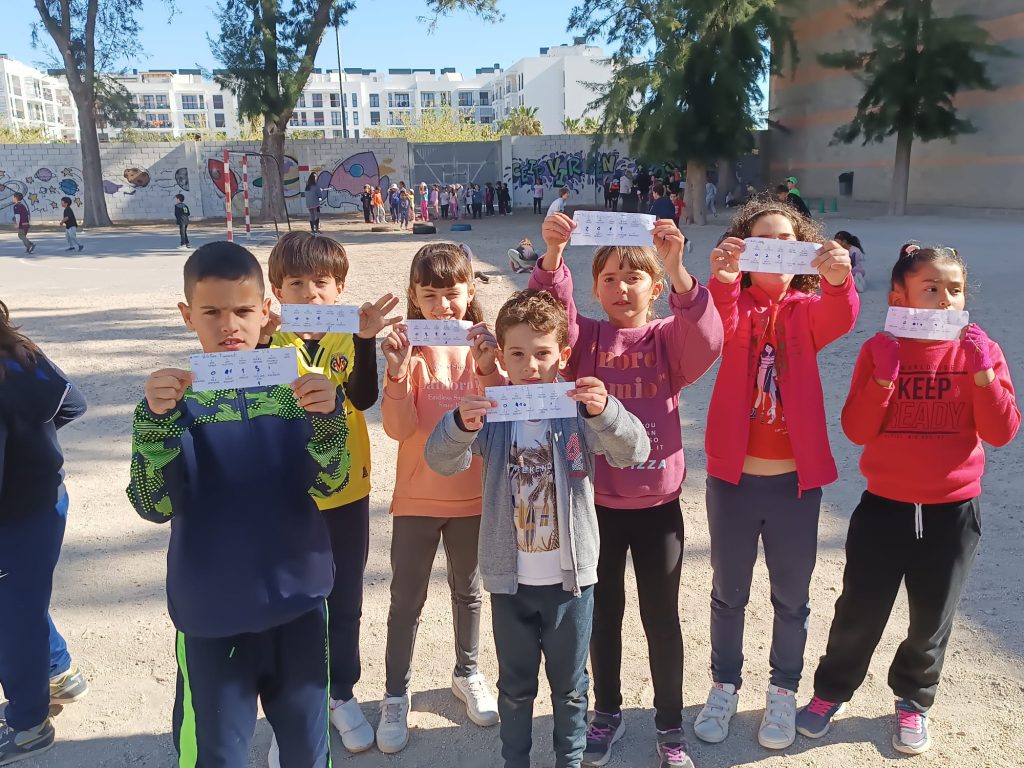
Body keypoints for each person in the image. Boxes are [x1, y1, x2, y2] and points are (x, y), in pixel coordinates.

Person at [127, 241, 351, 767]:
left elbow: (331, 482)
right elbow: (152, 504)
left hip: (298, 602)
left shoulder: (298, 392)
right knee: (216, 755)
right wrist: (155, 426)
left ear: (266, 310)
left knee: (307, 751)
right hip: (212, 612)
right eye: (211, 312)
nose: (229, 325)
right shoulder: (172, 403)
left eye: (244, 311)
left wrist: (328, 420)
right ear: (187, 315)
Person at [796, 247, 1020, 755]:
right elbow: (856, 430)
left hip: (953, 513)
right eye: (931, 288)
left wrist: (983, 372)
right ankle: (832, 690)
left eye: (955, 289)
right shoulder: (879, 349)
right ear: (899, 297)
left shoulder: (979, 349)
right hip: (885, 507)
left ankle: (914, 699)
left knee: (931, 618)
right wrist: (883, 377)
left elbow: (1002, 432)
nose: (945, 299)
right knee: (858, 610)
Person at [426, 289, 651, 768]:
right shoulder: (492, 413)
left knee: (571, 687)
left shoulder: (577, 410)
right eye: (517, 354)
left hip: (570, 584)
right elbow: (440, 461)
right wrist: (459, 424)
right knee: (515, 687)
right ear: (501, 357)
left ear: (563, 355)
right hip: (510, 583)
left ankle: (570, 760)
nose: (530, 366)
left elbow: (634, 452)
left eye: (543, 353)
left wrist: (606, 411)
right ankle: (516, 761)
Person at [532, 213, 724, 768]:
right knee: (603, 616)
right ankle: (607, 712)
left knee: (662, 619)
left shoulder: (666, 338)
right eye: (609, 279)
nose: (621, 288)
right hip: (596, 505)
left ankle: (670, 725)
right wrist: (553, 256)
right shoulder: (586, 339)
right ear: (594, 288)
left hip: (659, 506)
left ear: (654, 287)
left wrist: (679, 268)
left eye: (634, 277)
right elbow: (550, 320)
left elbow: (707, 339)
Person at [694, 198, 857, 751]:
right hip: (733, 483)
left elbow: (840, 316)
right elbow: (714, 328)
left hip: (794, 485)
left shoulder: (806, 310)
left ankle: (783, 691)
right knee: (728, 593)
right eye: (764, 241)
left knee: (792, 598)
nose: (777, 250)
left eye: (789, 240)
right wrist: (722, 281)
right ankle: (724, 685)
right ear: (745, 251)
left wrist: (838, 280)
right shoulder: (733, 304)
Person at [262, 232, 401, 760]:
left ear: (340, 287)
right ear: (277, 290)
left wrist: (364, 341)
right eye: (296, 283)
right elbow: (252, 399)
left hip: (346, 491)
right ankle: (292, 708)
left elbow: (363, 398)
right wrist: (260, 343)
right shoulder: (270, 338)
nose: (310, 293)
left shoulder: (349, 334)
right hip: (287, 494)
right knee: (292, 602)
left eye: (322, 282)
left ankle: (341, 691)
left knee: (344, 600)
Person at [375, 242, 504, 754]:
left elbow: (499, 417)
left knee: (469, 592)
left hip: (472, 496)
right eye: (429, 295)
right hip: (416, 498)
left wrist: (489, 366)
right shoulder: (410, 351)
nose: (442, 306)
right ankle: (395, 693)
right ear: (414, 296)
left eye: (452, 293)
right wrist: (396, 372)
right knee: (406, 599)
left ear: (470, 291)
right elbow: (398, 428)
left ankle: (467, 672)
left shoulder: (483, 346)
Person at [0, 300, 89, 766]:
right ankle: (59, 673)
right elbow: (73, 404)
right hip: (47, 500)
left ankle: (29, 724)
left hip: (12, 519)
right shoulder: (20, 352)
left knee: (12, 620)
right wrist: (33, 445)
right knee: (20, 602)